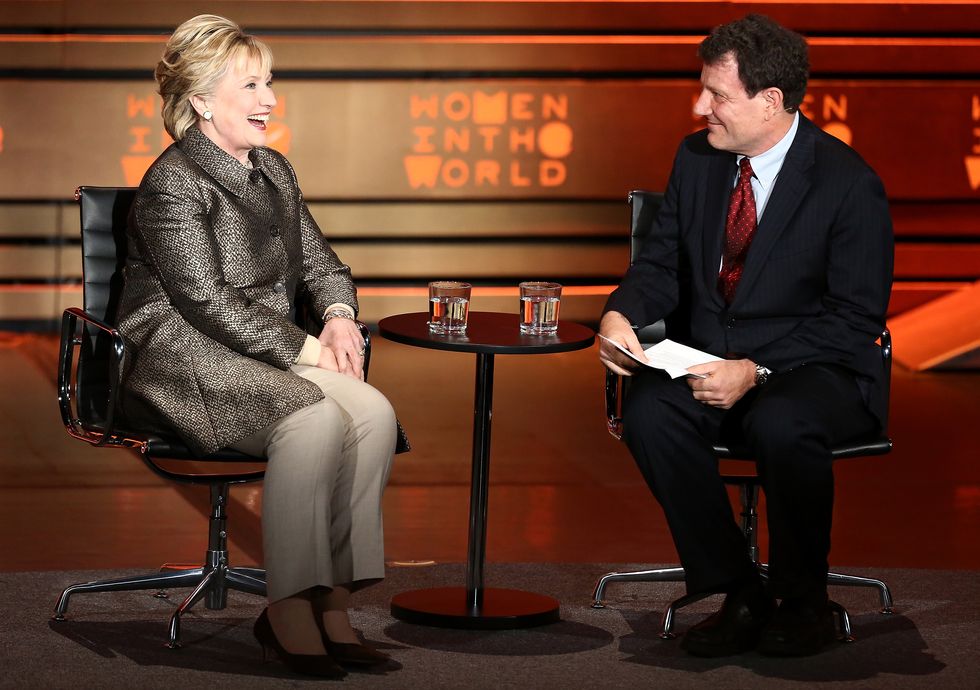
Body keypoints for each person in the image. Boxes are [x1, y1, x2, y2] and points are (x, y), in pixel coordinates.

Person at [116, 14, 406, 677]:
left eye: (268, 82)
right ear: (201, 99)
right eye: (250, 85)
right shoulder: (174, 181)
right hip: (182, 354)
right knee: (313, 418)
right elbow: (206, 302)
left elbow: (322, 262)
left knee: (372, 413)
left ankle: (333, 601)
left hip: (260, 351)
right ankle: (288, 607)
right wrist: (309, 351)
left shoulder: (273, 168)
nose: (268, 99)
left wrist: (335, 314)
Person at [599, 14, 893, 658]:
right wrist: (621, 313)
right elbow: (659, 265)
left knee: (782, 423)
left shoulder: (848, 184)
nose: (700, 105)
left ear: (770, 102)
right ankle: (738, 589)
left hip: (816, 366)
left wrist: (755, 368)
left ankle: (803, 599)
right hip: (707, 354)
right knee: (649, 411)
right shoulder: (697, 157)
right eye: (702, 89)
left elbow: (855, 320)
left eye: (717, 95)